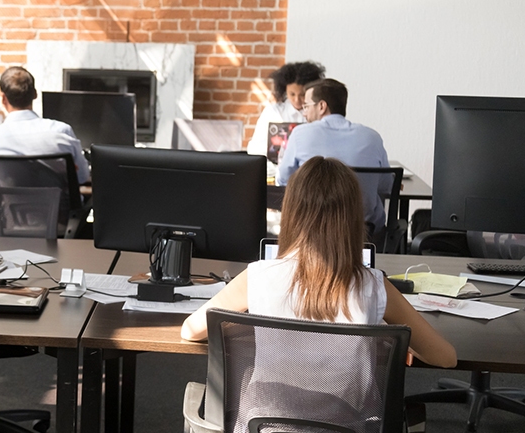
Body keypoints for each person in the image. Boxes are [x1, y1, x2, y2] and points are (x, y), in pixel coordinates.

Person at [181, 156, 457, 369]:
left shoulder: (257, 277)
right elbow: (446, 358)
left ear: (291, 212)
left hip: (266, 425)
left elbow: (191, 330)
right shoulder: (373, 285)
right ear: (352, 218)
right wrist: (388, 338)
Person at [276, 78, 391, 236]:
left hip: (312, 231)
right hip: (363, 233)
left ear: (322, 106)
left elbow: (284, 180)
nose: (304, 112)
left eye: (307, 106)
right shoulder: (372, 137)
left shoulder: (300, 134)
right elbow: (386, 186)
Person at [0, 66, 90, 185]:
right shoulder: (62, 132)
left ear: (3, 99)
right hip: (57, 203)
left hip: (10, 204)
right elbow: (82, 177)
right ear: (35, 94)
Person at [247, 61, 325, 177]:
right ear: (284, 91)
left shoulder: (320, 113)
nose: (297, 100)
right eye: (292, 94)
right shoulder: (273, 112)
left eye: (302, 95)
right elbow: (256, 151)